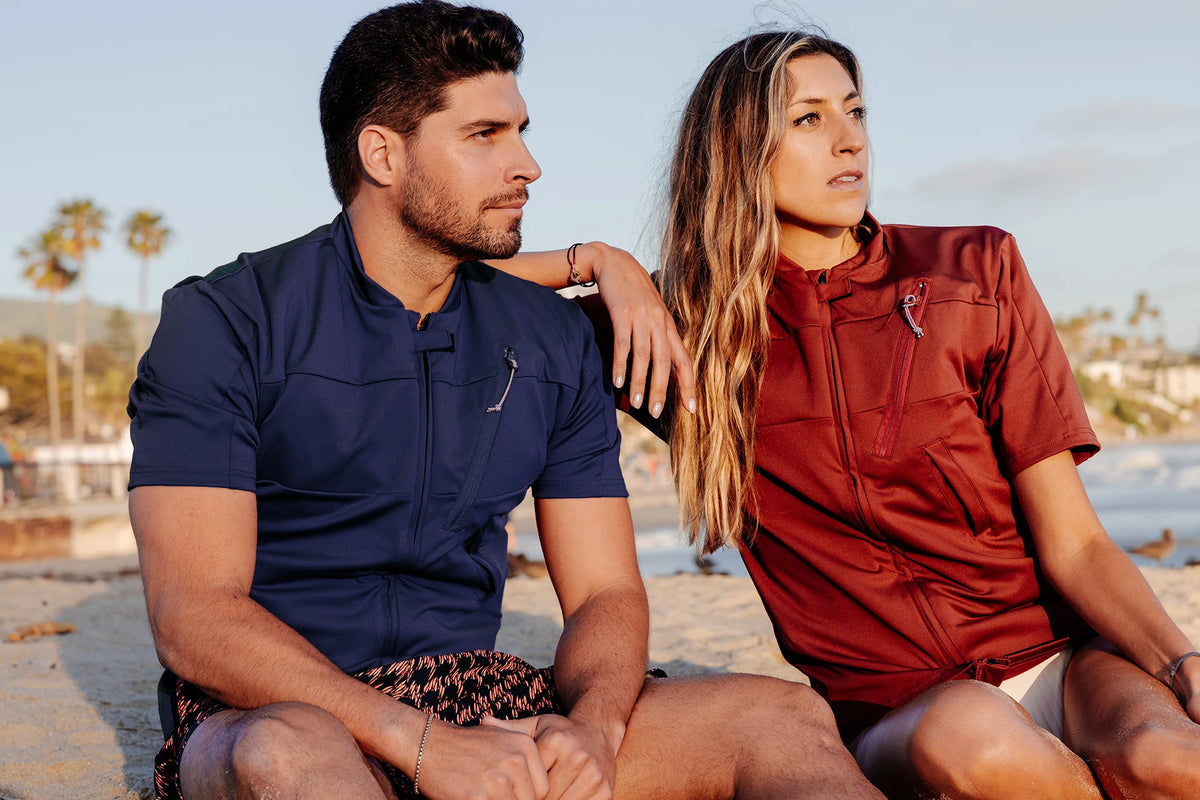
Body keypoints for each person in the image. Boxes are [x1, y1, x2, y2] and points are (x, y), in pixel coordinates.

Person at [126, 4, 886, 800]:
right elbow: (194, 615)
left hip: (473, 697)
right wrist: (419, 747)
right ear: (383, 154)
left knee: (782, 717)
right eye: (486, 136)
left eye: (521, 130)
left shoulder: (549, 339)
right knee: (287, 755)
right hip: (276, 705)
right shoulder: (224, 321)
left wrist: (592, 725)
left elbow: (605, 592)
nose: (528, 164)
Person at [513, 29, 1200, 800]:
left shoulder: (973, 273)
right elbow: (437, 277)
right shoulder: (685, 337)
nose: (849, 140)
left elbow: (1074, 543)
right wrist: (598, 262)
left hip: (1065, 661)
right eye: (808, 119)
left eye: (856, 110)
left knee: (1165, 760)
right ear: (740, 150)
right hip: (902, 711)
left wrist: (1181, 664)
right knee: (977, 746)